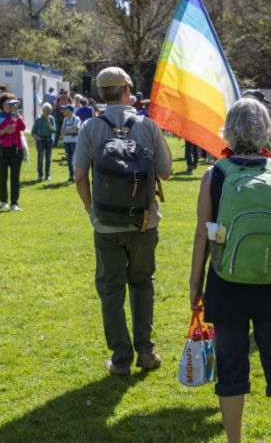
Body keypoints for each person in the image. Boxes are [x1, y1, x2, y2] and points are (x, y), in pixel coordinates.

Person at [188, 98, 271, 443]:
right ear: (265, 129)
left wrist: (195, 284)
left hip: (226, 281)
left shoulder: (215, 174)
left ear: (229, 129)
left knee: (232, 365)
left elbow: (201, 235)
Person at [74, 66, 173, 376]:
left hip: (105, 224)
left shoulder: (90, 127)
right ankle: (146, 352)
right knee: (142, 284)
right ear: (128, 91)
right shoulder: (148, 126)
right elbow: (167, 172)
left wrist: (92, 209)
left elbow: (79, 176)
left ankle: (120, 359)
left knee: (111, 291)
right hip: (144, 222)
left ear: (102, 94)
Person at [0, 93, 26, 211]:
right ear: (2, 104)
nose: (10, 106)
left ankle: (14, 203)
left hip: (16, 150)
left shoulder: (16, 116)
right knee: (3, 176)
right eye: (8, 104)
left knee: (15, 177)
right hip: (1, 151)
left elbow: (23, 127)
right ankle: (3, 201)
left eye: (13, 104)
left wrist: (18, 114)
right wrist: (4, 131)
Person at [31, 103, 56, 181]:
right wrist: (37, 138)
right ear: (43, 110)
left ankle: (47, 175)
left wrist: (50, 126)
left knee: (48, 158)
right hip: (40, 140)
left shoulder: (51, 119)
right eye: (46, 110)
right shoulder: (38, 119)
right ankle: (40, 175)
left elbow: (54, 130)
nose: (48, 112)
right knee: (40, 158)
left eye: (49, 111)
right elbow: (33, 132)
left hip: (49, 140)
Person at [60, 104, 81, 182]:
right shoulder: (65, 119)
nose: (63, 111)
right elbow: (61, 132)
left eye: (65, 110)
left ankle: (76, 176)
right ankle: (71, 176)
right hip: (66, 141)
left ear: (69, 111)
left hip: (74, 141)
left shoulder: (76, 119)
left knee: (74, 158)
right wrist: (69, 130)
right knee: (69, 159)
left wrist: (66, 131)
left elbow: (75, 130)